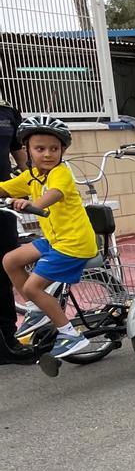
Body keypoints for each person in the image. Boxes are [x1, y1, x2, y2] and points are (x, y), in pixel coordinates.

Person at [0, 116, 98, 359]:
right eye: (40, 149)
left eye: (54, 149)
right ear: (27, 150)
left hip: (74, 243)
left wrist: (32, 204)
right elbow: (5, 187)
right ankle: (38, 308)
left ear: (62, 151)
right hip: (56, 240)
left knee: (33, 286)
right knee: (10, 260)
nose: (47, 154)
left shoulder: (60, 173)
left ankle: (69, 334)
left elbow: (53, 194)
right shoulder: (31, 175)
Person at [0, 98, 34, 364]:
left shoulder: (7, 111)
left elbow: (18, 153)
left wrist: (35, 181)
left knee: (4, 268)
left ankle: (7, 341)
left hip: (2, 201)